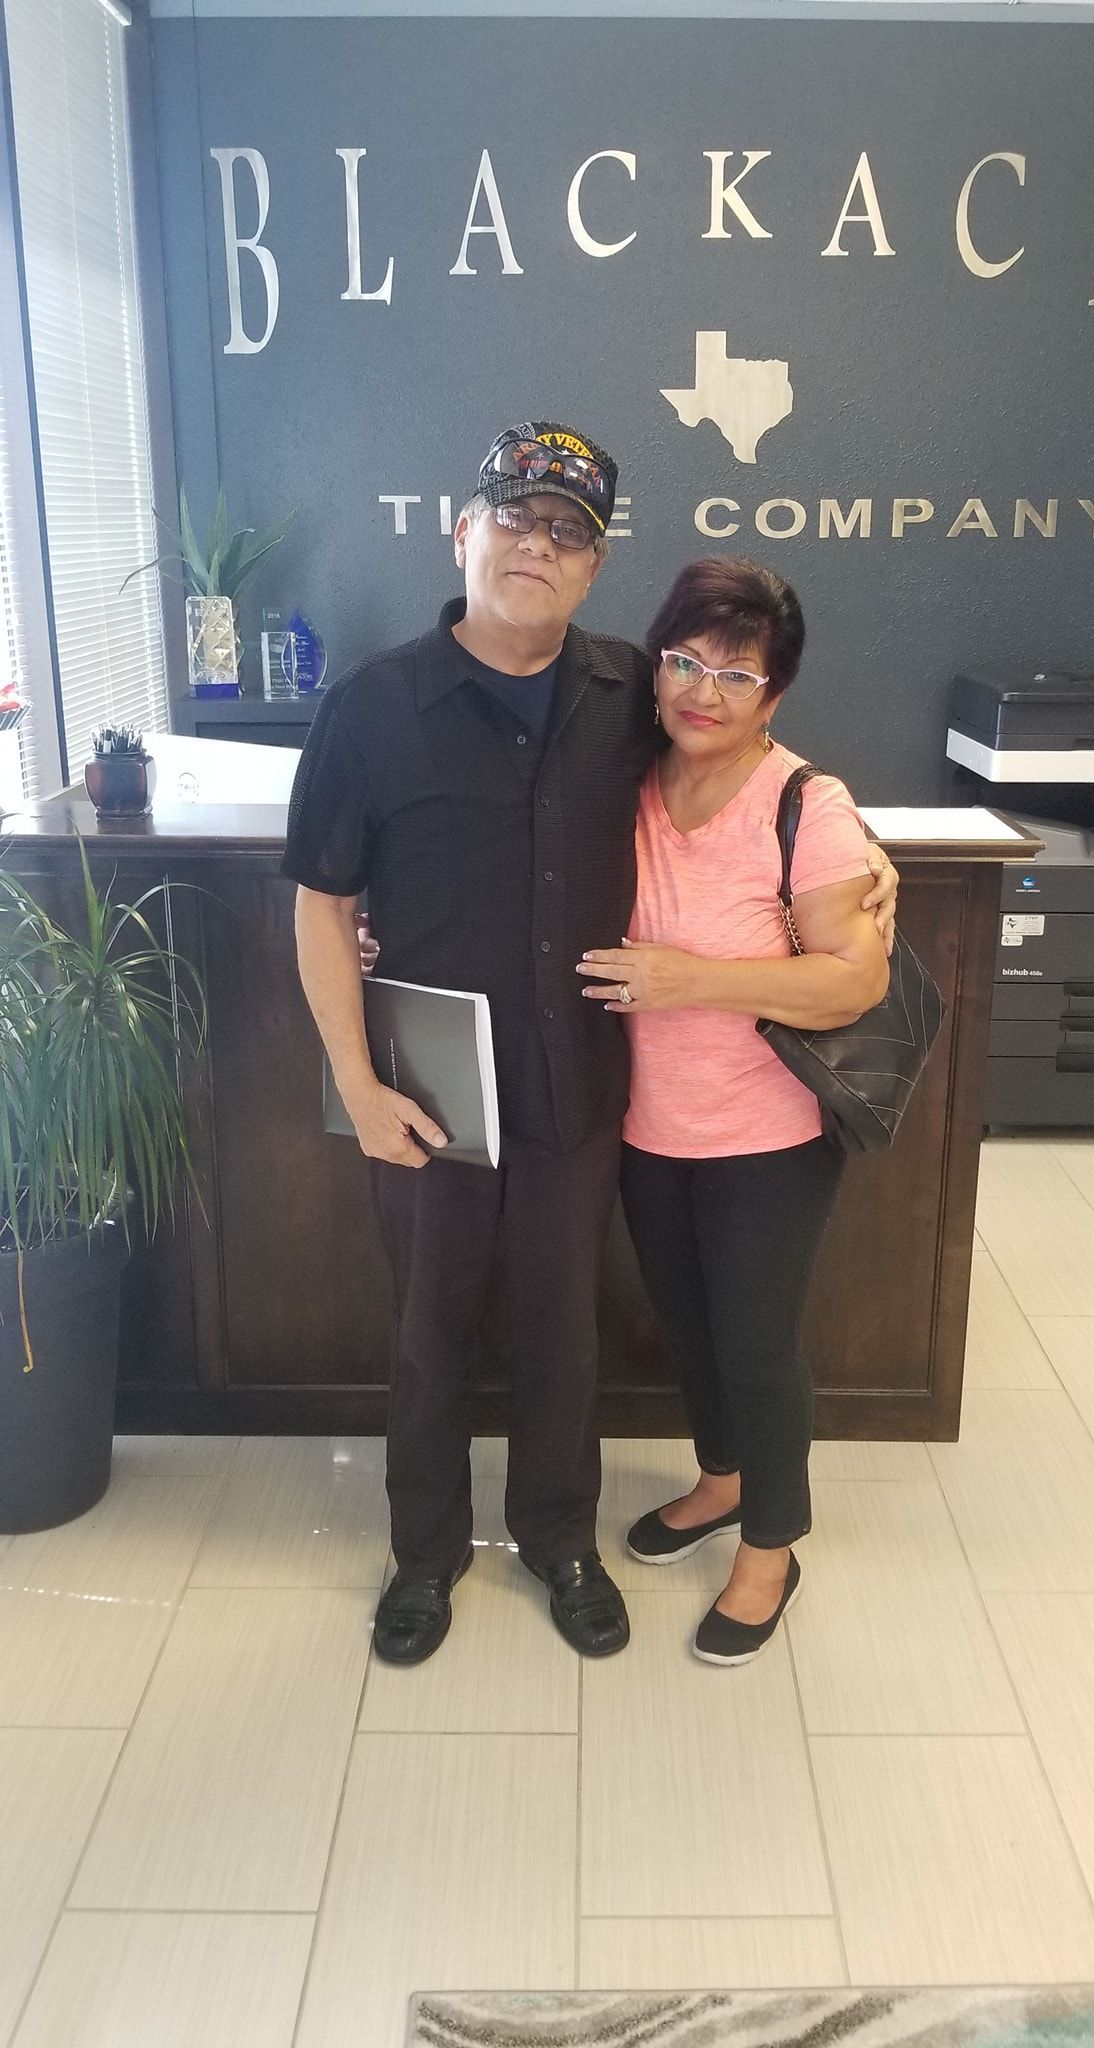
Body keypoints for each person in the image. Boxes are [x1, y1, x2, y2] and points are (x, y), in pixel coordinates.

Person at [284, 421, 897, 1668]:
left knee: (564, 1330)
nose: (538, 544)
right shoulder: (373, 705)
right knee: (428, 1332)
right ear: (463, 529)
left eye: (568, 531)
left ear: (596, 565)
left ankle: (561, 1539)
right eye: (515, 516)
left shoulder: (633, 692)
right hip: (429, 1087)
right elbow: (320, 904)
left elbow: (746, 767)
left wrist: (863, 854)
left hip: (581, 1083)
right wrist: (355, 1077)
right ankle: (424, 1552)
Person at [577, 558, 889, 1666]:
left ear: (774, 696)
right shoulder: (628, 773)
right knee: (689, 1326)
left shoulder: (805, 803)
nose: (703, 692)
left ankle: (772, 1545)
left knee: (757, 1346)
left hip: (767, 1133)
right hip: (647, 1124)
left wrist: (690, 980)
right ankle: (722, 1479)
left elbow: (854, 979)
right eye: (685, 662)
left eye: (736, 675)